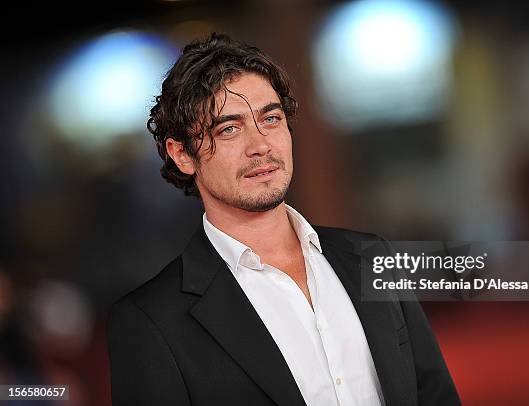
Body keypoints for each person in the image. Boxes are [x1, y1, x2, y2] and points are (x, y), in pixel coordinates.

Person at [107, 32, 460, 406]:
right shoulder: (150, 321)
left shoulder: (371, 257)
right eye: (229, 129)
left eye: (271, 119)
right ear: (182, 154)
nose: (260, 144)